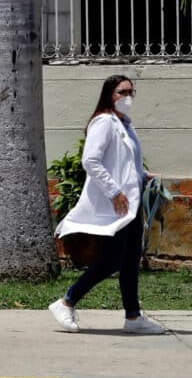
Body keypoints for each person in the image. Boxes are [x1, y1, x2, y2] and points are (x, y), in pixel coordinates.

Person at [49, 75, 166, 335]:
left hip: (131, 204)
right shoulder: (103, 122)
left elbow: (125, 164)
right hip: (117, 204)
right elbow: (91, 161)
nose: (127, 97)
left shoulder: (125, 124)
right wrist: (114, 192)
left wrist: (143, 177)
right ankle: (65, 302)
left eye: (131, 92)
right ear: (109, 95)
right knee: (112, 260)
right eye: (121, 92)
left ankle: (133, 317)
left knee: (130, 261)